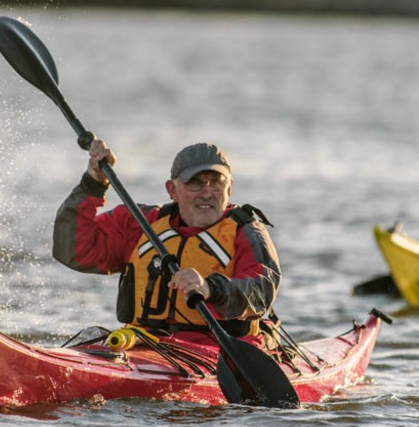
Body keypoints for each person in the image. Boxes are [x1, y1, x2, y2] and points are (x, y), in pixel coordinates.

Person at [53, 140, 282, 346]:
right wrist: (94, 183)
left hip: (220, 352)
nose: (207, 193)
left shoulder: (247, 232)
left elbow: (261, 291)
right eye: (195, 183)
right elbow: (72, 249)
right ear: (172, 190)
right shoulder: (140, 224)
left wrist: (211, 288)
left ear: (229, 189)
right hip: (143, 346)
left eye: (216, 183)